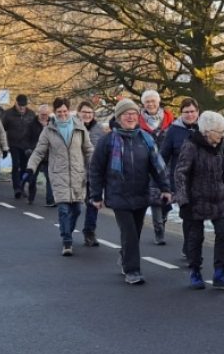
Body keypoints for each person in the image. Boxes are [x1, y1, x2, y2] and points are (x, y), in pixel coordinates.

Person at [89, 98, 174, 285]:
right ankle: (132, 270)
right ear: (118, 117)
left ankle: (125, 256)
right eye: (126, 114)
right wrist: (95, 195)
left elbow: (157, 167)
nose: (130, 117)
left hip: (140, 195)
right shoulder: (107, 141)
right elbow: (96, 169)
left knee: (135, 232)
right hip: (118, 195)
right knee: (129, 233)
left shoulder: (146, 138)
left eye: (134, 113)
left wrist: (165, 188)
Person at [174, 110, 224, 289]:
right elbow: (180, 173)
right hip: (196, 199)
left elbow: (223, 172)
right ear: (208, 131)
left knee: (223, 233)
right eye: (220, 131)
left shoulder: (219, 146)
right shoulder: (191, 146)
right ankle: (195, 271)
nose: (223, 135)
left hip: (218, 198)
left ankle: (220, 272)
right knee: (196, 237)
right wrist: (183, 199)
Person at [29, 96, 95, 255]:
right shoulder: (49, 130)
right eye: (59, 111)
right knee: (64, 209)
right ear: (55, 112)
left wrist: (95, 167)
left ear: (69, 110)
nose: (63, 114)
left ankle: (68, 231)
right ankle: (66, 241)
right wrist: (30, 167)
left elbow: (88, 150)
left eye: (65, 111)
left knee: (77, 209)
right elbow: (39, 151)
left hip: (77, 174)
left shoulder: (79, 127)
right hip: (58, 174)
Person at [136, 89, 175, 245]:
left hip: (167, 165)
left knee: (165, 200)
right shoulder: (137, 121)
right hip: (146, 166)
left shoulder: (170, 120)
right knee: (154, 199)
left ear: (158, 102)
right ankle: (159, 231)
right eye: (147, 102)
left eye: (153, 101)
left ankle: (163, 219)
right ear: (143, 104)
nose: (150, 104)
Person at [1, 94, 43, 203]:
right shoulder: (8, 114)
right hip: (13, 144)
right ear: (16, 103)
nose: (22, 108)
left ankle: (22, 185)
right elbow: (1, 130)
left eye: (24, 106)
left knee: (25, 167)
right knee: (16, 165)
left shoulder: (31, 114)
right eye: (20, 105)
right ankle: (16, 188)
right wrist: (4, 145)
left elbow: (36, 128)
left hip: (27, 145)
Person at [75, 100, 105, 248]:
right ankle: (67, 231)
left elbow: (103, 150)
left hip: (93, 173)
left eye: (90, 113)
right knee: (74, 205)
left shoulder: (99, 129)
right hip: (74, 172)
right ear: (78, 113)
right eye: (84, 112)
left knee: (93, 203)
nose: (87, 115)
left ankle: (89, 232)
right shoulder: (72, 127)